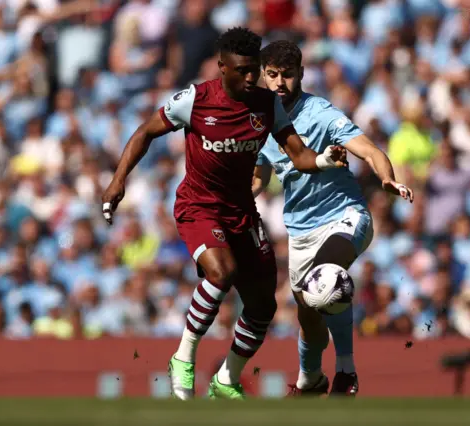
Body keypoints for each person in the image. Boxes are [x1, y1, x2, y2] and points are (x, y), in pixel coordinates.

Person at [101, 28, 347, 400]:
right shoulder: (195, 100)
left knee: (263, 305)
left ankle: (226, 379)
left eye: (254, 70)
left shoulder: (267, 104)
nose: (252, 78)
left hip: (242, 212)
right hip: (198, 207)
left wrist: (324, 159)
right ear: (222, 68)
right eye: (243, 71)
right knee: (222, 272)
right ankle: (183, 357)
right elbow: (145, 131)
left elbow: (298, 154)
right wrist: (118, 180)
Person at [252, 40, 413, 396]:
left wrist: (386, 177)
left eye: (288, 75)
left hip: (345, 215)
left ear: (301, 75)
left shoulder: (320, 113)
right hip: (301, 230)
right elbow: (261, 175)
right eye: (273, 75)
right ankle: (311, 379)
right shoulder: (260, 122)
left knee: (326, 278)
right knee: (309, 312)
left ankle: (346, 370)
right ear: (263, 76)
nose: (280, 83)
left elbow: (369, 149)